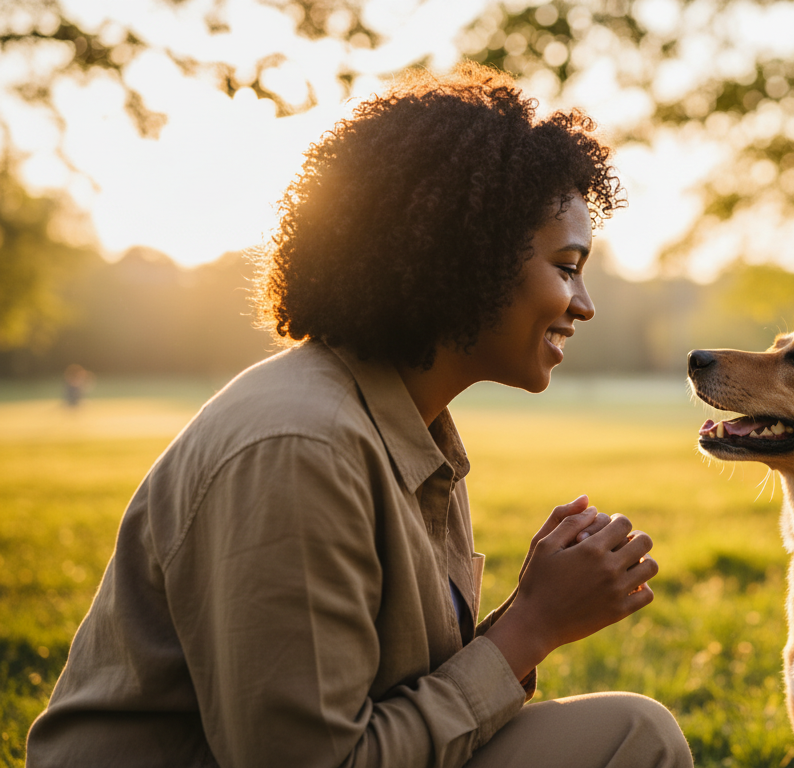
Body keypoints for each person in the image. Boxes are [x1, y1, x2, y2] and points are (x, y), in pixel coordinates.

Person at [26, 63, 693, 768]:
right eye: (566, 265)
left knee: (633, 739)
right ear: (469, 257)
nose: (584, 304)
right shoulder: (298, 447)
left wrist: (529, 611)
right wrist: (528, 629)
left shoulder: (411, 425)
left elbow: (387, 693)